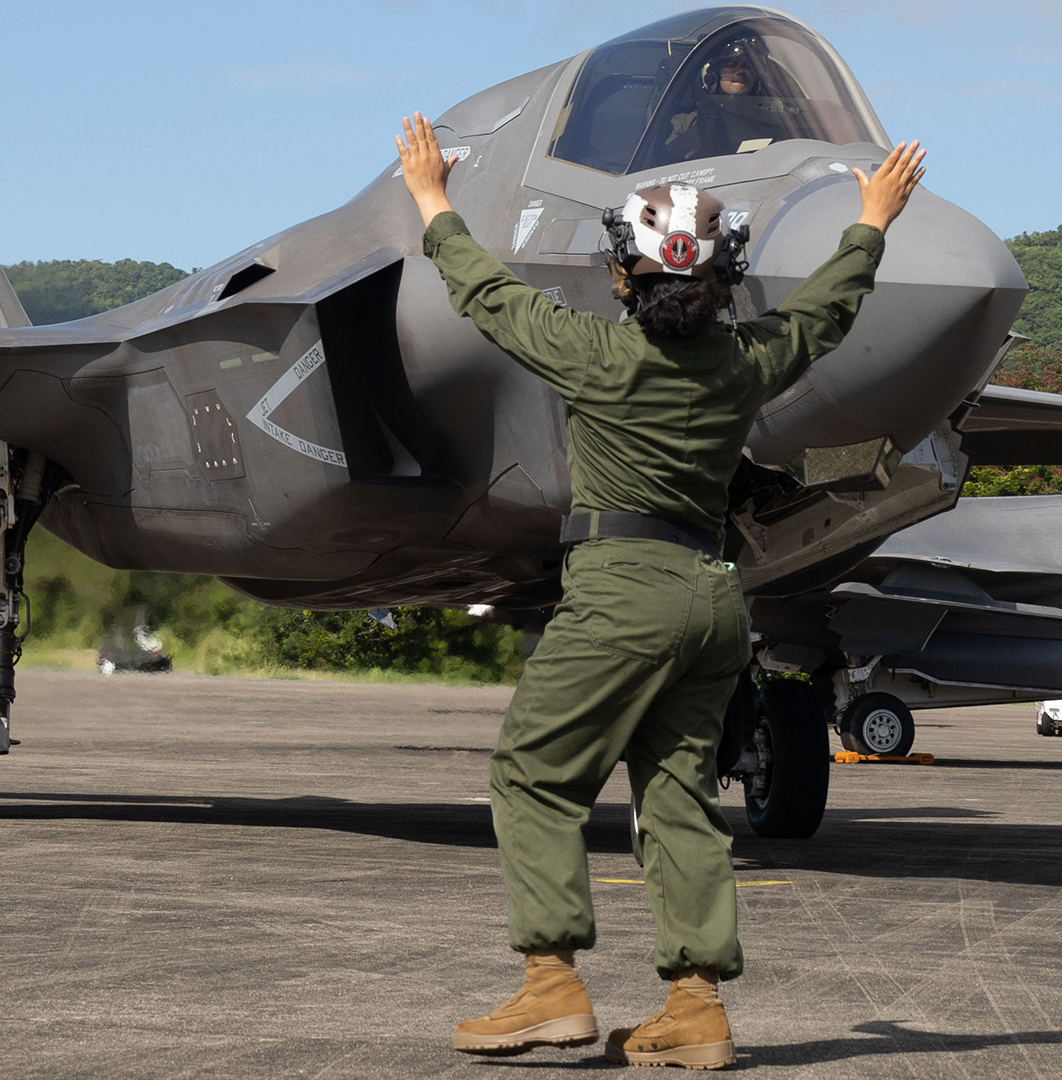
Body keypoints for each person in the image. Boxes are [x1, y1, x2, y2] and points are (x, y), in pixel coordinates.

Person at [393, 111, 924, 1068]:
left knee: (532, 773)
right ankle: (695, 1008)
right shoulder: (747, 363)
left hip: (620, 592)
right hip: (714, 598)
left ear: (621, 274)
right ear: (723, 278)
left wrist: (432, 195)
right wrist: (871, 222)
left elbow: (484, 291)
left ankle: (551, 987)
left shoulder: (593, 355)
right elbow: (824, 314)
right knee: (678, 794)